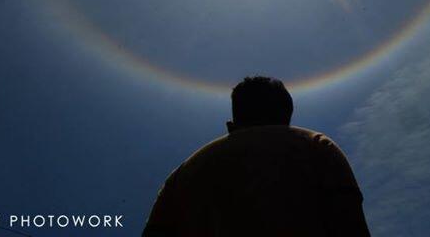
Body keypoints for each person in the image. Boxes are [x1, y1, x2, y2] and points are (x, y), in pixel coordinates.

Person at [142, 76, 371, 237]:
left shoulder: (184, 173)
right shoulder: (317, 146)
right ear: (287, 114)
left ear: (233, 119)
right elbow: (350, 222)